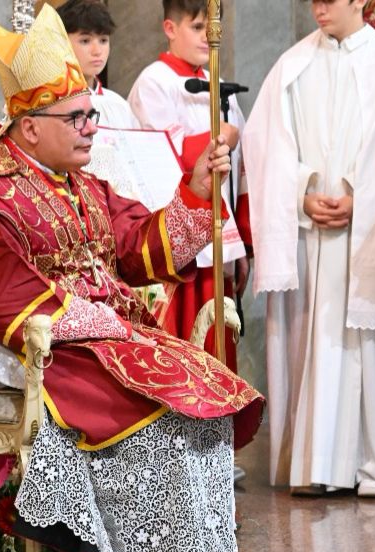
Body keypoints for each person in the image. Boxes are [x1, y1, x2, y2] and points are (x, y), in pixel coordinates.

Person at [0, 5, 281, 552]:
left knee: (198, 381)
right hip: (10, 338)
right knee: (142, 399)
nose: (90, 128)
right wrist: (103, 322)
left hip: (84, 329)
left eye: (91, 114)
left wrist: (193, 190)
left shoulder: (80, 185)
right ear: (30, 127)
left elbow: (137, 248)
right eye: (77, 117)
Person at [243, 0, 375, 498]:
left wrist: (364, 199)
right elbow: (263, 147)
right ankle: (315, 465)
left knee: (369, 349)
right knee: (315, 343)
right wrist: (301, 193)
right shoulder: (292, 65)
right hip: (311, 236)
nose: (318, 8)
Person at [127, 0, 250, 371]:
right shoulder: (154, 83)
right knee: (183, 350)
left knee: (219, 345)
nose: (207, 38)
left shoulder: (220, 86)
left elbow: (240, 172)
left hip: (219, 240)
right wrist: (219, 137)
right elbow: (163, 153)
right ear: (170, 28)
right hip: (176, 245)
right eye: (197, 28)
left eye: (212, 29)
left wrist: (242, 244)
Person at [58, 0, 139, 129]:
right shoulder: (52, 105)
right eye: (85, 41)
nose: (97, 51)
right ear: (61, 43)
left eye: (103, 40)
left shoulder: (119, 105)